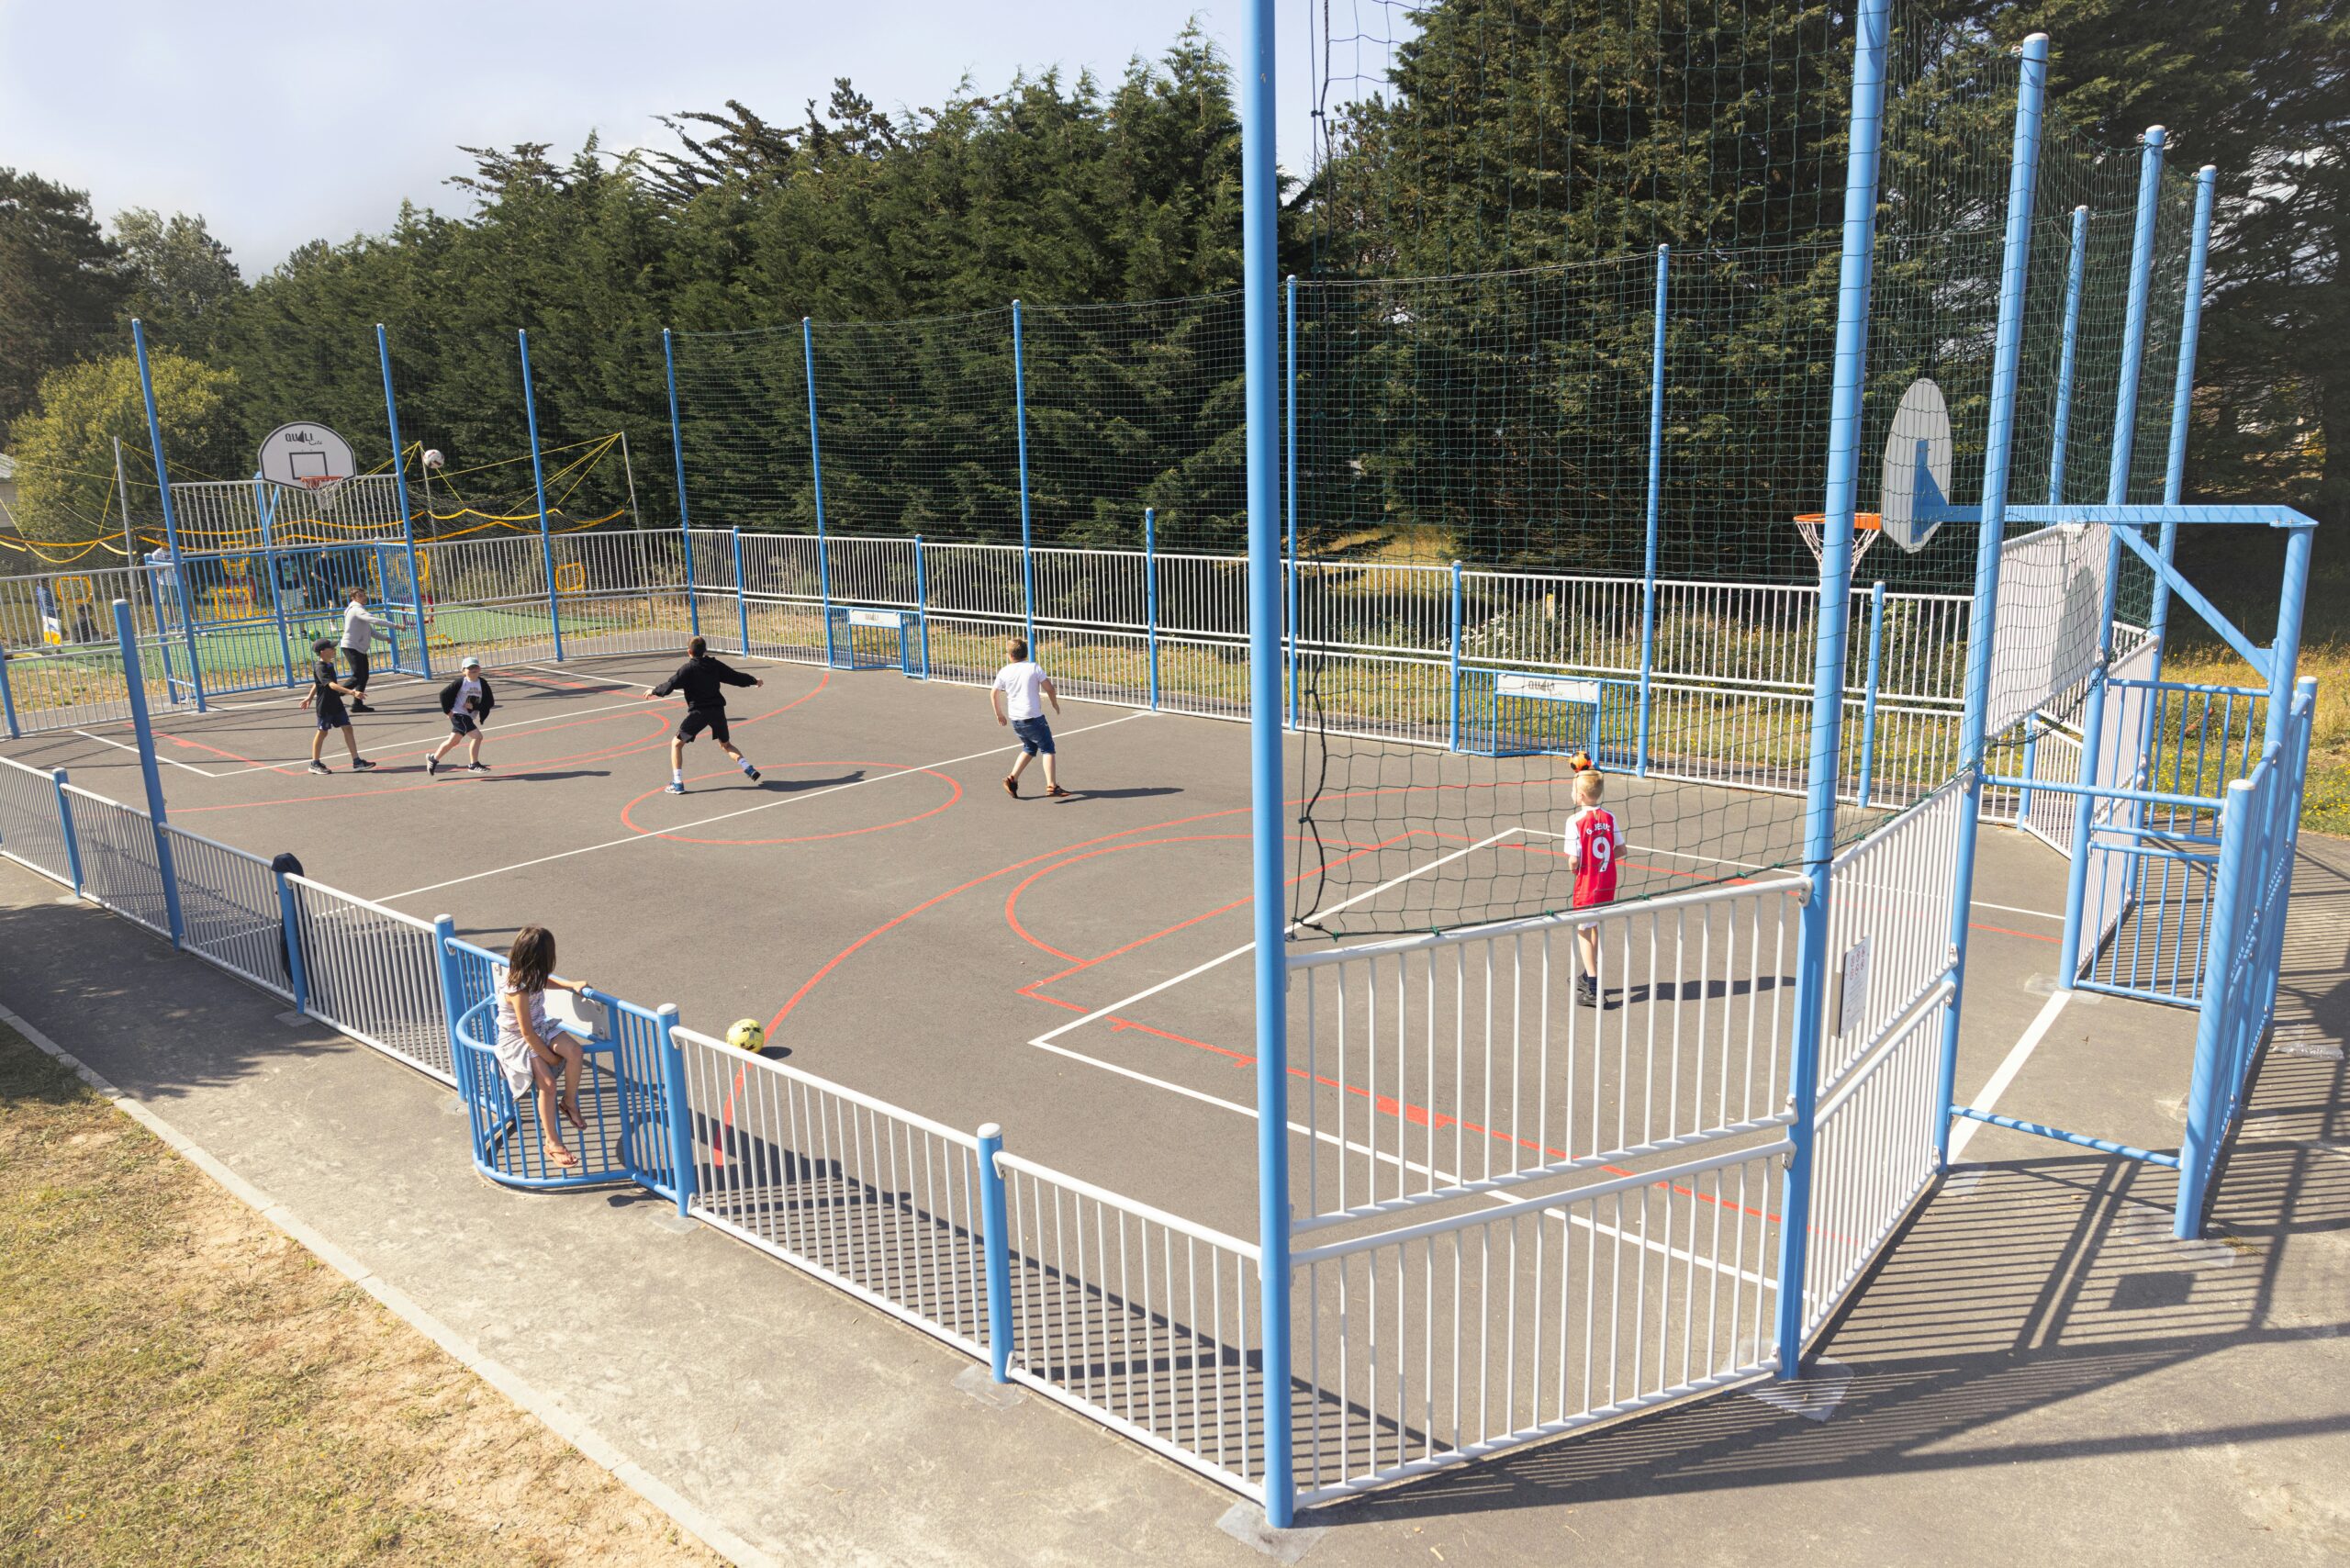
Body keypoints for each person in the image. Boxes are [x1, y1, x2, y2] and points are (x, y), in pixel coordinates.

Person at [490, 925, 592, 1171]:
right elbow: (526, 1033)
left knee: (575, 1052)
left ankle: (569, 1103)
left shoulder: (530, 973)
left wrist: (569, 985)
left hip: (540, 1028)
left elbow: (543, 981)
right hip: (519, 1038)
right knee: (547, 1084)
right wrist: (550, 1058)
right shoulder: (517, 989)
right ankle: (552, 1142)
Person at [642, 635, 763, 794]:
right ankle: (748, 768)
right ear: (705, 650)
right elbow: (735, 677)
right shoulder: (714, 665)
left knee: (676, 744)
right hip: (717, 711)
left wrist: (654, 691)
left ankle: (677, 783)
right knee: (726, 745)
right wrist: (754, 680)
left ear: (689, 652)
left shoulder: (687, 669)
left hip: (699, 713)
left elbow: (670, 684)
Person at [1562, 767, 1623, 1007]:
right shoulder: (1609, 817)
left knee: (1582, 930)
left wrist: (1576, 868)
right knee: (1594, 925)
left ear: (1580, 796)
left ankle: (1594, 989)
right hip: (1607, 881)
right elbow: (1621, 849)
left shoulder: (1575, 821)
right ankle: (1588, 975)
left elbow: (1574, 860)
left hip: (1588, 884)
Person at [991, 637, 1069, 799]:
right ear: (1026, 653)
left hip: (1016, 720)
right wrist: (1054, 703)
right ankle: (1051, 786)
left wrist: (999, 714)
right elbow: (1050, 688)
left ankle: (1012, 779)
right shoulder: (1033, 667)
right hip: (1033, 717)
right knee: (1048, 748)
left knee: (1030, 747)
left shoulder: (1005, 671)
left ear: (1010, 655)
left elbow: (994, 693)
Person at [297, 636, 375, 776]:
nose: (334, 649)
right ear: (322, 652)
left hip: (336, 704)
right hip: (325, 706)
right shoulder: (320, 667)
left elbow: (317, 682)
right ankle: (315, 764)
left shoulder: (329, 665)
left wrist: (309, 697)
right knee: (323, 732)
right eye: (331, 648)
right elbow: (331, 685)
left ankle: (357, 762)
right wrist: (352, 692)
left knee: (348, 728)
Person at [428, 654, 496, 775]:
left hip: (468, 716)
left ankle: (433, 759)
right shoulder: (461, 683)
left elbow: (490, 702)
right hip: (459, 715)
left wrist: (474, 707)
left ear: (479, 669)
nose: (473, 670)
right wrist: (447, 711)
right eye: (470, 668)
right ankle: (474, 764)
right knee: (477, 737)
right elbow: (443, 694)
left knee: (453, 741)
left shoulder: (483, 683)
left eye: (475, 667)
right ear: (463, 671)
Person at [339, 587, 379, 711]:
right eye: (360, 596)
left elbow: (370, 630)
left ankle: (357, 704)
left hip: (359, 647)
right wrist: (396, 626)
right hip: (350, 646)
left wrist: (385, 638)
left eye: (364, 595)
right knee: (357, 676)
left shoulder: (360, 610)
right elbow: (374, 620)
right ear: (353, 598)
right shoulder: (356, 610)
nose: (364, 597)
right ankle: (332, 696)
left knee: (364, 676)